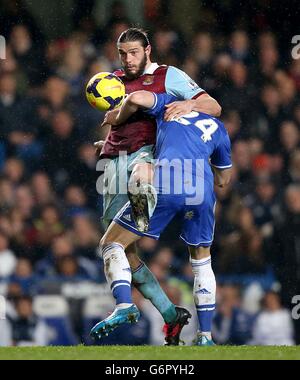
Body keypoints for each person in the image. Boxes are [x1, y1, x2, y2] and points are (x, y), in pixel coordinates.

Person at [95, 27, 222, 345]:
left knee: (117, 242)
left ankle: (124, 306)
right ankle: (170, 315)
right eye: (123, 53)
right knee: (121, 248)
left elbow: (214, 107)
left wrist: (190, 105)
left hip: (148, 167)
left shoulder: (168, 76)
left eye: (134, 52)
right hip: (114, 168)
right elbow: (122, 122)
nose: (128, 59)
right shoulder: (112, 80)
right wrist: (110, 143)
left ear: (148, 50)